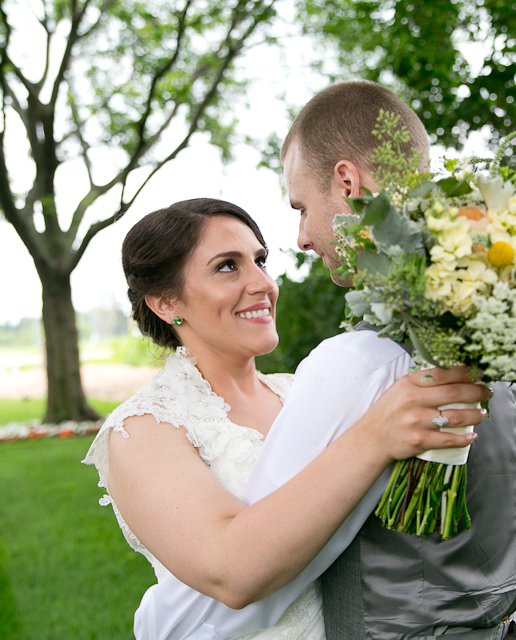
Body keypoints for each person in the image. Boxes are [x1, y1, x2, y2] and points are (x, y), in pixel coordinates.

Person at [82, 198, 492, 640]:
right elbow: (228, 575)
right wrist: (375, 438)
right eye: (227, 266)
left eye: (260, 261)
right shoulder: (144, 429)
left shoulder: (302, 392)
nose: (262, 283)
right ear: (165, 302)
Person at [243, 81, 516, 639]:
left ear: (348, 183)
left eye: (302, 207)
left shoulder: (359, 360)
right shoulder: (513, 311)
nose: (303, 236)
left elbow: (250, 566)